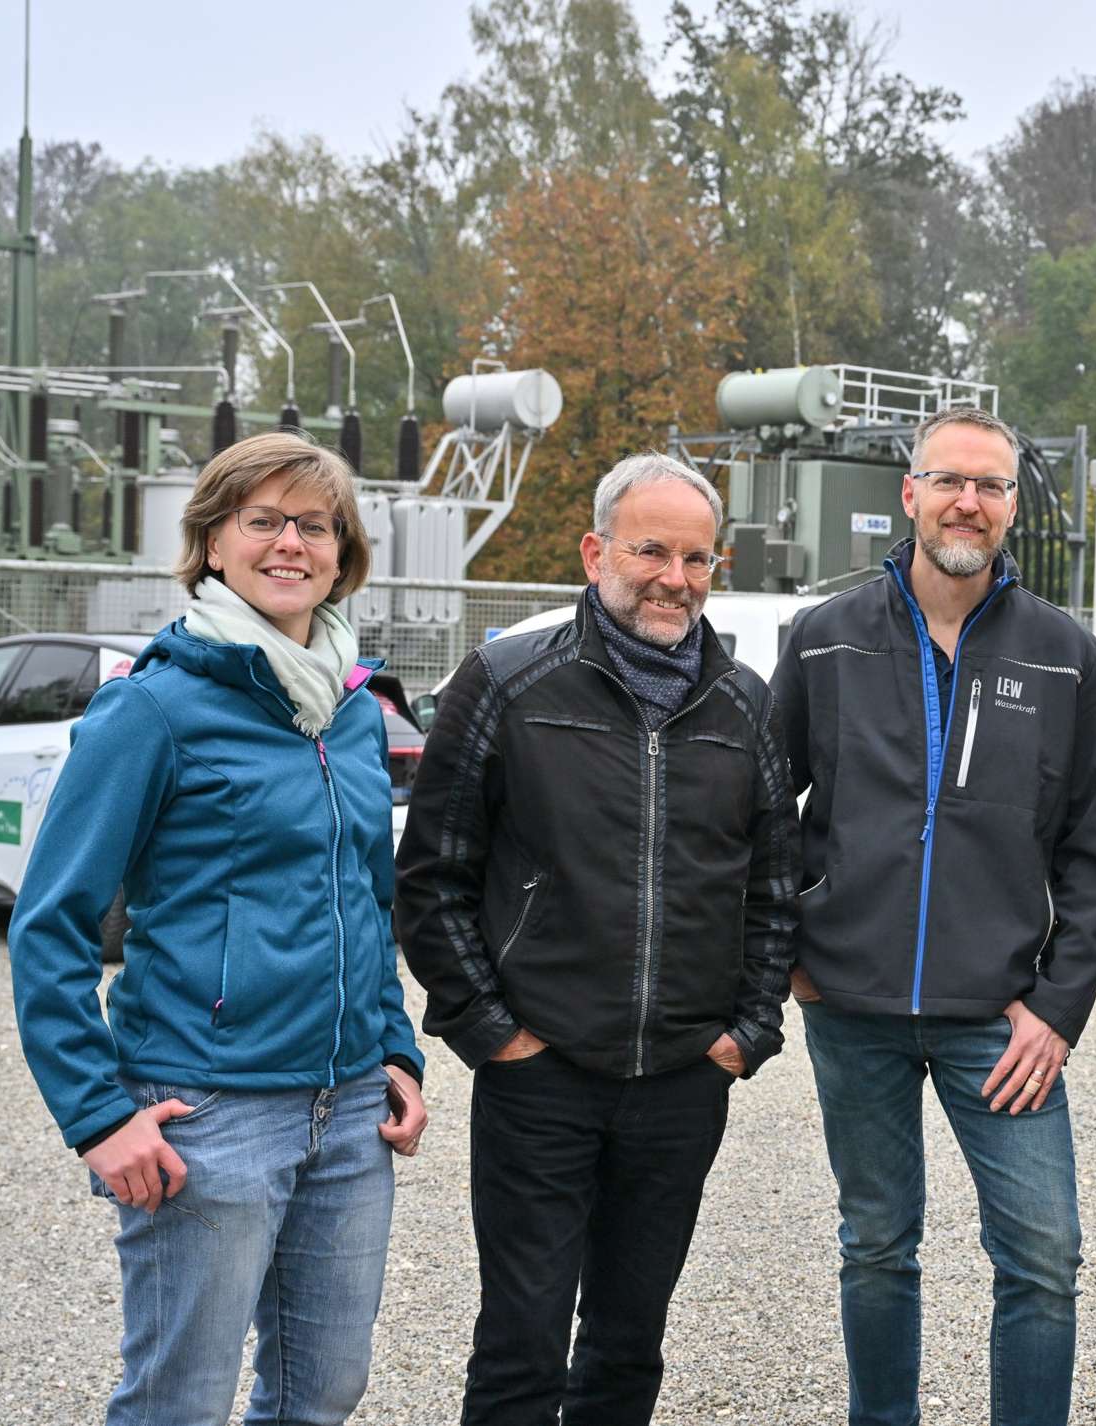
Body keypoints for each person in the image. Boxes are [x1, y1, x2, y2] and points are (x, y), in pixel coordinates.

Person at [7, 429, 428, 1426]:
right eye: (264, 520)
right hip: (211, 1110)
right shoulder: (153, 709)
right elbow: (51, 921)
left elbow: (367, 899)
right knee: (177, 1403)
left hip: (348, 1109)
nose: (291, 543)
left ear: (343, 552)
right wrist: (98, 1115)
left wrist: (396, 1046)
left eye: (315, 525)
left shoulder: (353, 716)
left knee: (321, 1392)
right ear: (213, 541)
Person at [395, 452, 798, 1425]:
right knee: (523, 1344)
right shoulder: (507, 681)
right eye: (650, 550)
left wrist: (744, 1033)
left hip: (680, 1081)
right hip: (543, 1076)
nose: (675, 577)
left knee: (627, 1345)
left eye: (698, 558)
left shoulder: (743, 703)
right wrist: (494, 1031)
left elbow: (774, 887)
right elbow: (432, 877)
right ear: (594, 552)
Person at [771, 405, 1096, 1426]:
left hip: (998, 1018)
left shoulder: (1063, 651)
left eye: (992, 484)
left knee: (1044, 1256)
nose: (968, 500)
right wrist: (797, 948)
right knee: (877, 1243)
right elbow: (760, 815)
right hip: (854, 1008)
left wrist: (1056, 1010)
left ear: (1014, 505)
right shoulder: (824, 636)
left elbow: (1095, 853)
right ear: (909, 493)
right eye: (949, 479)